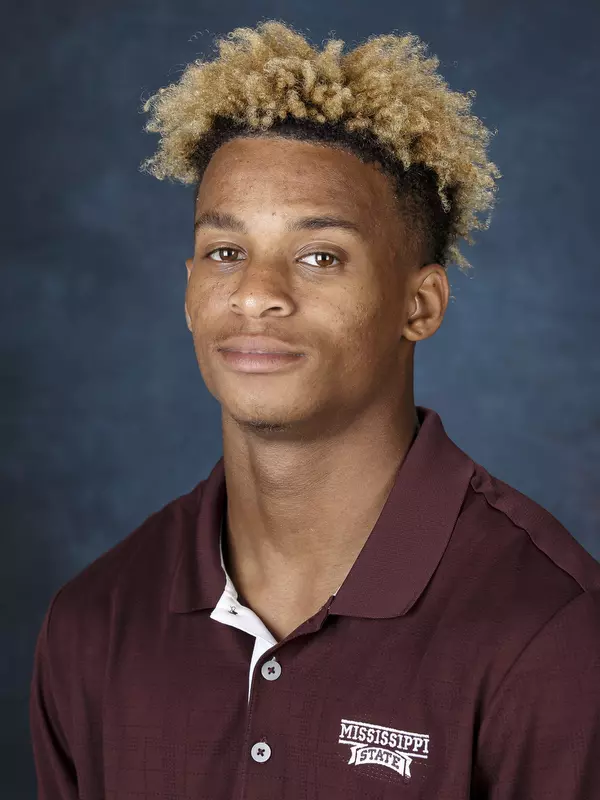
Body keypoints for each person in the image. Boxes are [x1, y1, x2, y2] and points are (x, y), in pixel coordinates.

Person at [30, 19, 600, 799]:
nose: (257, 293)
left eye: (319, 256)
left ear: (421, 303)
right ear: (189, 288)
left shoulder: (553, 629)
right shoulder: (94, 622)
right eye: (226, 251)